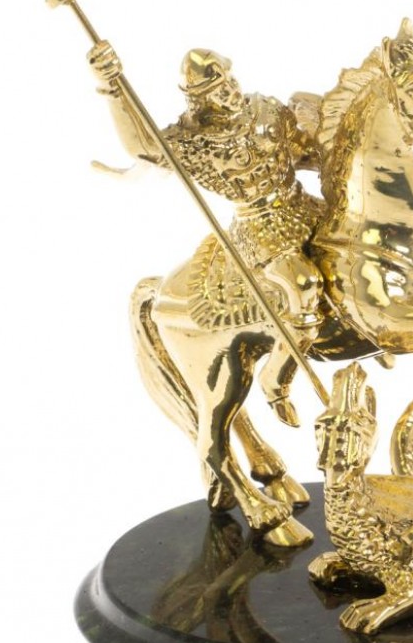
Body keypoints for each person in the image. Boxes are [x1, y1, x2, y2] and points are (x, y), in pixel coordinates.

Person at [88, 41, 326, 424]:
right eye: (217, 89)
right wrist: (112, 85)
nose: (229, 91)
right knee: (303, 284)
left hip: (302, 203)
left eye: (229, 80)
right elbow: (146, 149)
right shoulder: (193, 140)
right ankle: (277, 379)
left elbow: (303, 151)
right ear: (198, 100)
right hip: (260, 229)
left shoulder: (265, 109)